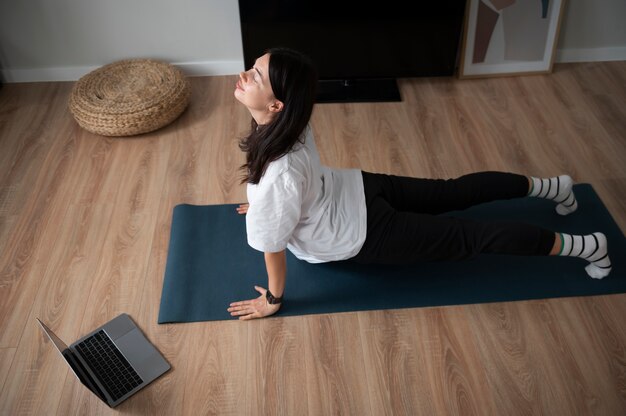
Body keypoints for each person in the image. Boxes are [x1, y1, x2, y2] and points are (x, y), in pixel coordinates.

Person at [227, 47, 612, 321]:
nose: (245, 75)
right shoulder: (291, 124)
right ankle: (556, 187)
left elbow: (273, 249)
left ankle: (590, 247)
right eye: (254, 68)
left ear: (276, 105)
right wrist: (267, 208)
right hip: (357, 188)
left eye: (256, 74)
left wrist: (274, 299)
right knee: (454, 191)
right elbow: (290, 188)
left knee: (472, 238)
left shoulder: (279, 174)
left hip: (360, 230)